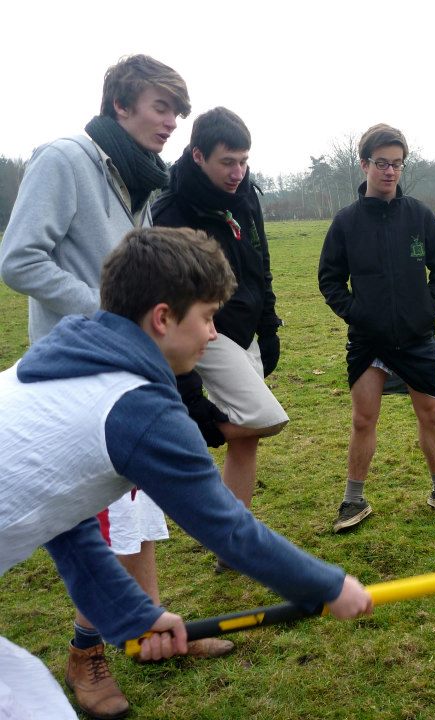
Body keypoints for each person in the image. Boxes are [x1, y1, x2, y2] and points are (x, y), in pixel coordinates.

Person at [0, 227, 373, 720]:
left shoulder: (67, 361)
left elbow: (65, 523)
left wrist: (134, 617)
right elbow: (228, 528)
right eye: (207, 317)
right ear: (162, 319)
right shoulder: (137, 409)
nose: (214, 334)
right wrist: (328, 586)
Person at [0, 54, 236, 719]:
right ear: (120, 105)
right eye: (160, 107)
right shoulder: (65, 159)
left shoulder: (139, 179)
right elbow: (18, 258)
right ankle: (88, 654)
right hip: (74, 380)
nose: (170, 122)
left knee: (138, 511)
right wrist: (106, 317)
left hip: (125, 369)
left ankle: (150, 628)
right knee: (93, 522)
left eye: (177, 112)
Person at [318, 123, 435, 533]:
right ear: (364, 165)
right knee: (363, 419)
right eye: (382, 163)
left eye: (397, 164)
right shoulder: (346, 222)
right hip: (368, 341)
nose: (390, 172)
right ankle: (352, 500)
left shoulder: (420, 216)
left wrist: (426, 311)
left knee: (432, 414)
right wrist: (358, 314)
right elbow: (329, 280)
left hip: (416, 337)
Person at [152, 108, 287, 572]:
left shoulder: (245, 194)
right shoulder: (173, 211)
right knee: (266, 418)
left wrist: (269, 325)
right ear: (197, 155)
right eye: (227, 162)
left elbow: (259, 262)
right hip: (206, 334)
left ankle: (233, 543)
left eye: (244, 161)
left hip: (246, 328)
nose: (238, 172)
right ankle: (193, 434)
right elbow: (169, 296)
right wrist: (190, 395)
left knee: (246, 442)